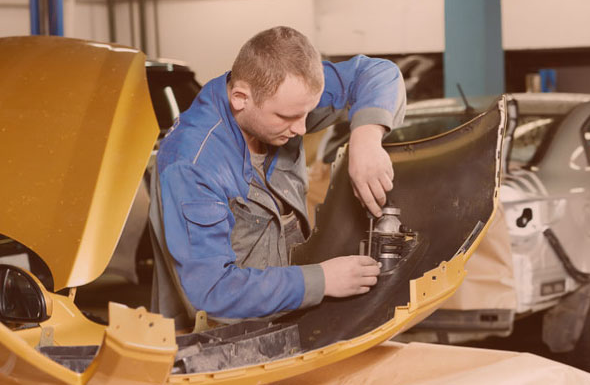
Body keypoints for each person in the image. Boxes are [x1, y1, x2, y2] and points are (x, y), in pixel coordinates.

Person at [149, 26, 406, 328]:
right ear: (240, 98)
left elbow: (379, 73)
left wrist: (366, 139)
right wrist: (322, 279)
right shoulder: (192, 164)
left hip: (286, 321)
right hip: (214, 345)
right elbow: (211, 293)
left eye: (306, 114)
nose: (301, 129)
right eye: (287, 118)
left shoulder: (283, 99)